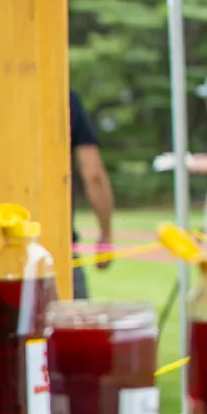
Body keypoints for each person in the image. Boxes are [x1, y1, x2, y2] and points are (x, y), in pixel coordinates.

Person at [70, 89, 115, 298]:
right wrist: (105, 234)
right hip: (58, 250)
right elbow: (93, 173)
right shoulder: (61, 95)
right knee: (71, 329)